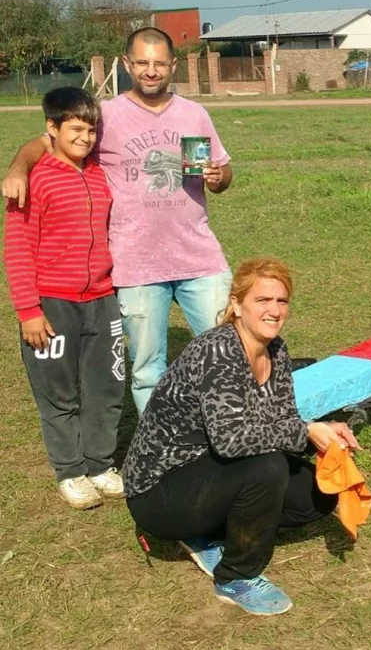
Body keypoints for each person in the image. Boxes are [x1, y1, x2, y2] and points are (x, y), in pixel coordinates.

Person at [2, 27, 233, 415]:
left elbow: (224, 175)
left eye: (160, 63)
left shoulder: (194, 113)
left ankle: (227, 438)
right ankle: (160, 455)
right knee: (147, 370)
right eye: (142, 62)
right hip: (135, 265)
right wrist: (18, 168)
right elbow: (45, 141)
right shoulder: (106, 115)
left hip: (200, 261)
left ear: (173, 65)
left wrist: (217, 177)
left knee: (226, 355)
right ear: (127, 63)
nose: (151, 71)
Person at [123, 258, 360, 616]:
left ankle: (212, 533)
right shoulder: (217, 350)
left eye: (281, 301)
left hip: (211, 469)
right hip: (159, 490)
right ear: (236, 305)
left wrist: (320, 433)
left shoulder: (275, 350)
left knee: (318, 494)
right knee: (268, 469)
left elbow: (281, 420)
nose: (274, 310)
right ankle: (236, 577)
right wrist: (304, 431)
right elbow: (232, 440)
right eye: (263, 300)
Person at [3, 87, 125, 509]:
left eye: (91, 130)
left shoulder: (97, 171)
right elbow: (17, 246)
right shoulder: (32, 179)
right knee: (59, 393)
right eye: (75, 129)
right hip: (51, 304)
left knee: (107, 385)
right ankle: (70, 470)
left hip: (102, 298)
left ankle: (99, 464)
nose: (85, 138)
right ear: (50, 128)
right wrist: (28, 310)